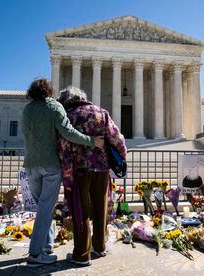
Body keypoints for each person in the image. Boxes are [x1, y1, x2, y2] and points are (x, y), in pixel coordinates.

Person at [22, 79, 104, 267]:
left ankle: (46, 247)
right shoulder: (54, 106)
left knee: (43, 208)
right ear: (48, 91)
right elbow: (67, 132)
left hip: (31, 164)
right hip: (50, 164)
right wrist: (91, 141)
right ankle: (35, 254)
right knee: (46, 208)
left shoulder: (27, 109)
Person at [57, 86, 126, 267]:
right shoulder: (100, 113)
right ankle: (100, 246)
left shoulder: (67, 116)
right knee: (101, 207)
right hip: (101, 169)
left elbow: (62, 145)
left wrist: (64, 169)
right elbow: (118, 139)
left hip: (78, 169)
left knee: (81, 210)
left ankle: (81, 255)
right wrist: (120, 160)